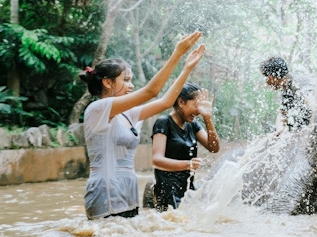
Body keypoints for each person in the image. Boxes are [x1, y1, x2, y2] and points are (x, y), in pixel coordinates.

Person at [79, 32, 205, 220]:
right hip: (105, 193)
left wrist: (186, 69)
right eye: (126, 80)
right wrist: (176, 54)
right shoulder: (97, 109)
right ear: (107, 82)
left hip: (128, 193)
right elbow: (151, 92)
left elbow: (165, 102)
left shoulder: (128, 114)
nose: (131, 85)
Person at [151, 83, 220, 211]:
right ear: (181, 102)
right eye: (196, 105)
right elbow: (157, 160)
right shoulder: (164, 122)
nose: (198, 111)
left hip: (187, 190)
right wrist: (188, 164)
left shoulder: (192, 125)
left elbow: (214, 148)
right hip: (167, 192)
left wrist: (207, 118)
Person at [260, 56, 311, 133]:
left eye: (266, 78)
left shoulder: (297, 84)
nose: (266, 82)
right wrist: (279, 130)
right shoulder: (285, 89)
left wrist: (310, 132)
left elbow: (313, 104)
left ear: (272, 77)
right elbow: (282, 113)